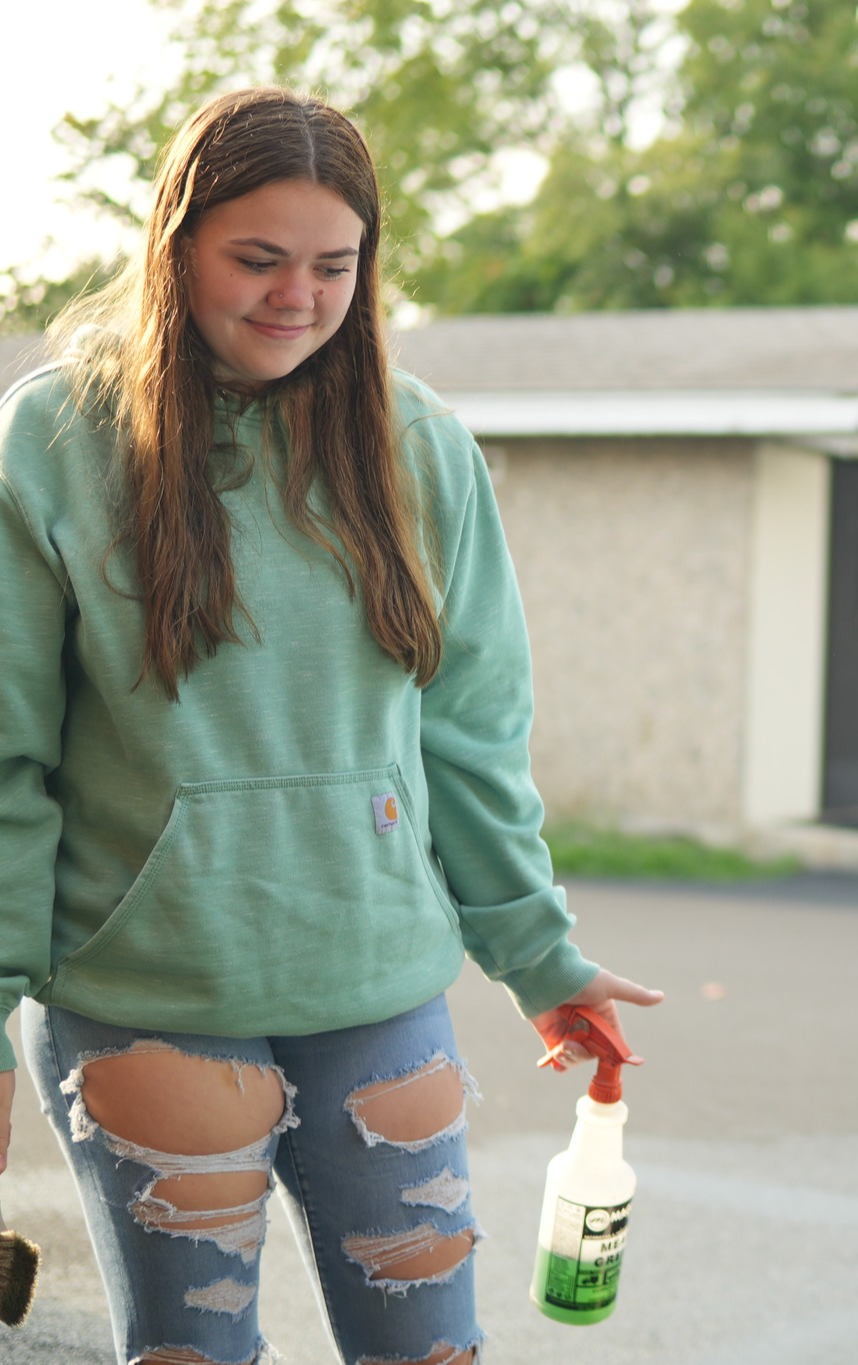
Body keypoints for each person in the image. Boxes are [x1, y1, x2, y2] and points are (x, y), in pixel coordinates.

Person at [0, 88, 661, 1365]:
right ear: (176, 245)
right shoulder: (51, 443)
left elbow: (470, 737)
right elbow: (5, 763)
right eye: (256, 259)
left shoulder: (420, 448)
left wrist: (539, 952)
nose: (296, 296)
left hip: (376, 985)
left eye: (333, 265)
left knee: (433, 1353)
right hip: (151, 996)